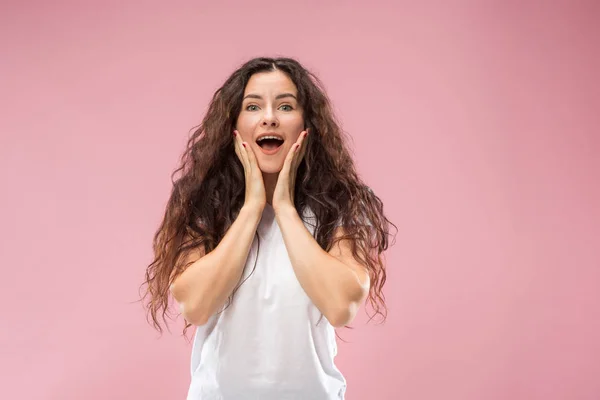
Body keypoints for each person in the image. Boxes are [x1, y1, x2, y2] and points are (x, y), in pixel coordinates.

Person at [141, 57, 395, 399]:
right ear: (234, 125)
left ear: (308, 125)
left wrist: (286, 209)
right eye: (253, 106)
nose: (270, 117)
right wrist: (251, 208)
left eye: (286, 105)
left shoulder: (343, 204)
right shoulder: (203, 203)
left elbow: (340, 305)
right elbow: (196, 305)